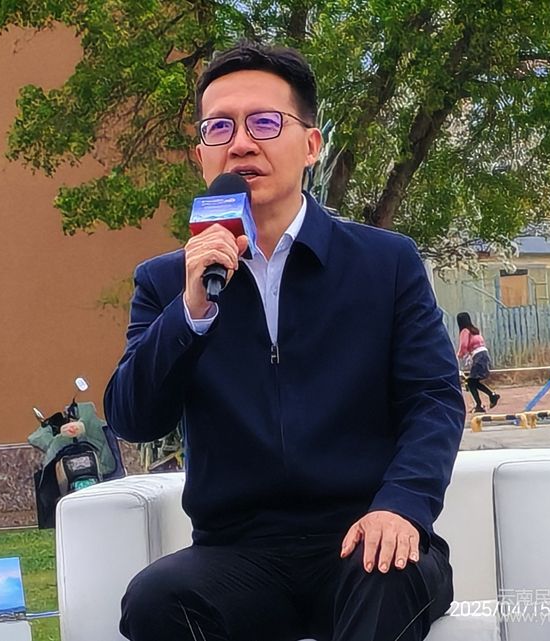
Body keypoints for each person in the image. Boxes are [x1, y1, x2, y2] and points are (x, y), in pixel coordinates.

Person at [104, 41, 465, 641]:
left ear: (311, 145)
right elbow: (133, 417)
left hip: (364, 536)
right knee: (155, 601)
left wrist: (402, 504)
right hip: (237, 553)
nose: (241, 143)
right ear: (201, 154)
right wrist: (191, 310)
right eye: (220, 127)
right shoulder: (167, 282)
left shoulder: (385, 264)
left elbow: (433, 400)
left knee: (387, 575)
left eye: (265, 123)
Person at [456, 312, 500, 413]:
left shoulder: (465, 331)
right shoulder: (475, 331)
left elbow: (463, 346)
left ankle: (480, 405)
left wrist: (458, 356)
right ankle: (491, 396)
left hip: (478, 357)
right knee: (473, 382)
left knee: (471, 382)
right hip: (484, 355)